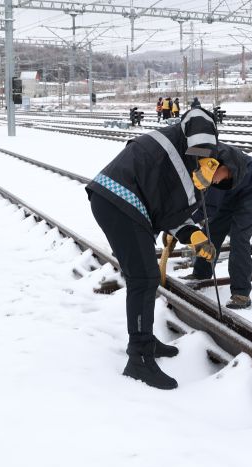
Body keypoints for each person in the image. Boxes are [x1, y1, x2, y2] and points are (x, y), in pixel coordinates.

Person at [86, 106, 223, 390]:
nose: (199, 156)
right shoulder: (174, 150)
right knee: (144, 279)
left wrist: (194, 236)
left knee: (146, 279)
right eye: (196, 151)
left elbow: (166, 210)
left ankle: (145, 340)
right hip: (118, 202)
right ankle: (139, 359)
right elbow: (180, 198)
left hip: (123, 203)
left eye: (205, 152)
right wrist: (199, 186)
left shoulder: (178, 143)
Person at [190, 144, 252, 309]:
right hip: (230, 189)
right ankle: (201, 273)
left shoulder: (216, 172)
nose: (213, 181)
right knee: (213, 230)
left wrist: (186, 224)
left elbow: (209, 206)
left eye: (214, 179)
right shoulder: (201, 161)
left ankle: (241, 293)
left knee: (239, 238)